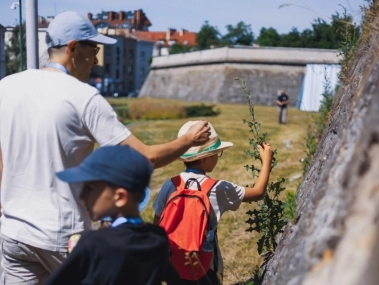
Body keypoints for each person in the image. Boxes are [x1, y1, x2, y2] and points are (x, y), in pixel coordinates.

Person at [0, 11, 210, 284]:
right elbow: (144, 159)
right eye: (94, 49)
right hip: (62, 234)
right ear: (73, 47)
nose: (97, 59)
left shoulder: (7, 86)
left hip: (13, 233)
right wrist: (187, 141)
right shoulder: (82, 96)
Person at [153, 121, 273, 285]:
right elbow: (258, 192)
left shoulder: (170, 185)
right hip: (205, 266)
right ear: (207, 158)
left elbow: (157, 224)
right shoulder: (218, 189)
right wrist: (266, 161)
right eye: (217, 153)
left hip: (173, 263)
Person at [45, 145, 180, 285]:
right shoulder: (157, 238)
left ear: (120, 197)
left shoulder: (93, 244)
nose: (81, 196)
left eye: (89, 189)